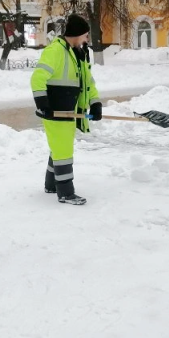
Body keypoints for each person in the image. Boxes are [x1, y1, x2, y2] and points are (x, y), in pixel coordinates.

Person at [31, 14, 101, 205]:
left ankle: (51, 184)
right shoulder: (55, 51)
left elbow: (88, 83)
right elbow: (37, 78)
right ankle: (66, 192)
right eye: (85, 35)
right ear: (78, 34)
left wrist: (95, 103)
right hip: (55, 111)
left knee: (59, 147)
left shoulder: (77, 54)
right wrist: (43, 105)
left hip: (69, 110)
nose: (87, 39)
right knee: (63, 151)